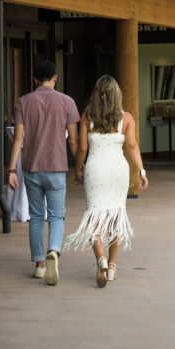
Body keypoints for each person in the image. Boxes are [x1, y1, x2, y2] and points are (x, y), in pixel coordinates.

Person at [64, 75, 148, 288]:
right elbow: (132, 146)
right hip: (118, 171)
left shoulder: (87, 116)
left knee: (94, 217)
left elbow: (82, 148)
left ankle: (100, 260)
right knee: (116, 216)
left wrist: (78, 170)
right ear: (116, 95)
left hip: (96, 170)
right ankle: (111, 267)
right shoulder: (126, 118)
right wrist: (142, 171)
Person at [7, 60, 80, 286]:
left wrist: (11, 169)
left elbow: (18, 139)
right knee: (57, 215)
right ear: (55, 78)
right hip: (57, 167)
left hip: (32, 168)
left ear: (35, 79)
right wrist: (80, 167)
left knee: (37, 217)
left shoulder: (23, 102)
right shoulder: (67, 102)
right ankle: (54, 252)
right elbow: (74, 141)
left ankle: (39, 265)